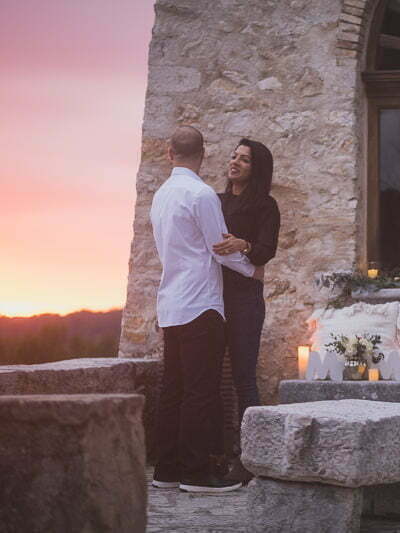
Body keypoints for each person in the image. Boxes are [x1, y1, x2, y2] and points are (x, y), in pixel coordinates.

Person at [150, 126, 264, 493]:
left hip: (171, 302)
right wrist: (252, 269)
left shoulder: (161, 196)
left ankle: (166, 470)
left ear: (170, 153)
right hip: (201, 302)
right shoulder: (201, 194)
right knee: (202, 391)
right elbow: (221, 248)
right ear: (203, 153)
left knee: (173, 389)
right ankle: (196, 473)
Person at [211, 138, 280, 483]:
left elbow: (266, 251)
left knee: (243, 378)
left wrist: (244, 244)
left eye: (245, 160)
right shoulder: (216, 201)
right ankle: (215, 454)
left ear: (257, 169)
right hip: (210, 298)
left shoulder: (266, 206)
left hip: (245, 301)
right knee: (209, 379)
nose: (235, 162)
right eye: (234, 156)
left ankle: (250, 458)